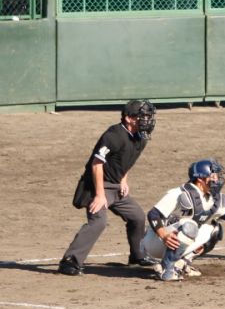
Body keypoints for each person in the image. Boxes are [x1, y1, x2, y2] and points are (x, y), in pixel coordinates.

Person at [59, 99, 158, 276]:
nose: (147, 120)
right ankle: (70, 261)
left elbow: (126, 161)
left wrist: (124, 180)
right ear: (128, 118)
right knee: (99, 222)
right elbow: (96, 164)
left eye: (148, 116)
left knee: (136, 216)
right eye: (142, 116)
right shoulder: (113, 136)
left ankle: (138, 255)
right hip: (95, 186)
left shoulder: (140, 137)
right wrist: (99, 195)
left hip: (115, 186)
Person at [144, 159, 225, 281]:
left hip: (175, 241)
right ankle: (167, 269)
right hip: (155, 242)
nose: (218, 179)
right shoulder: (179, 194)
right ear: (200, 179)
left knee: (214, 231)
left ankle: (181, 264)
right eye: (214, 175)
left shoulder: (213, 199)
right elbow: (153, 214)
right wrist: (164, 235)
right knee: (190, 226)